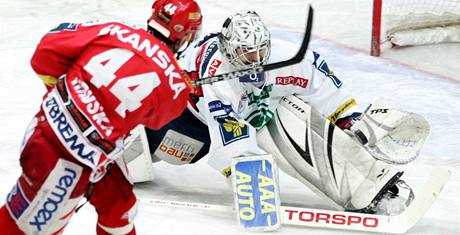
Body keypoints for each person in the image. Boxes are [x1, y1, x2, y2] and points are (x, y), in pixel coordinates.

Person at [127, 10, 429, 215]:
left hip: (250, 109)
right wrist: (244, 173)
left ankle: (369, 187)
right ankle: (115, 151)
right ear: (230, 50)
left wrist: (346, 121)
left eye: (260, 50)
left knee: (289, 117)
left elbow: (320, 82)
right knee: (151, 151)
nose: (256, 59)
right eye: (248, 53)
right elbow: (225, 128)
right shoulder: (218, 72)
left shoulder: (287, 57)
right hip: (189, 123)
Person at [0, 0, 202, 234]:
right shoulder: (174, 83)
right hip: (66, 158)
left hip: (62, 135)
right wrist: (179, 83)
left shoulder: (115, 29)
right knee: (27, 227)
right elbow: (158, 120)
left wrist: (70, 97)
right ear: (184, 36)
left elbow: (45, 53)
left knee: (120, 207)